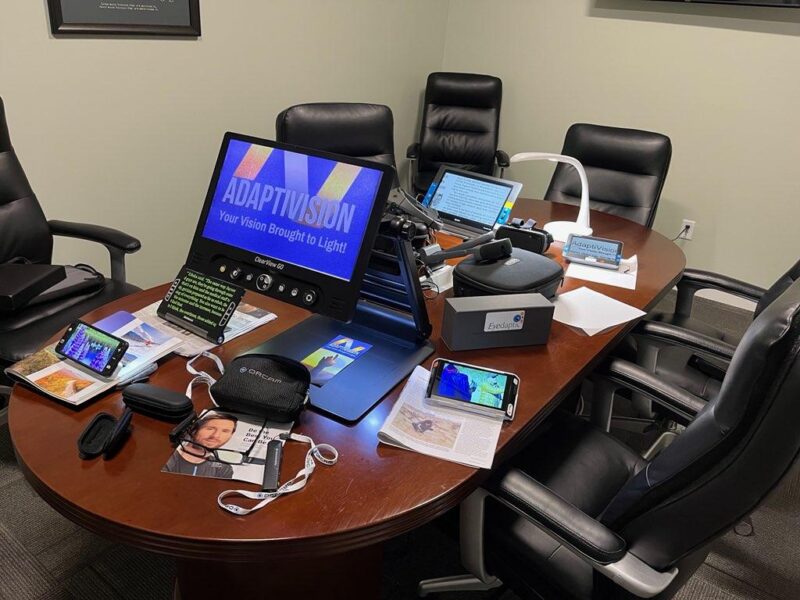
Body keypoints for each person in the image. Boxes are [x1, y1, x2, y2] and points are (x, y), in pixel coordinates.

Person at [164, 412, 238, 478]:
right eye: (210, 429)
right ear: (194, 430)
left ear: (231, 435)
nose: (216, 435)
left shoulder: (224, 468)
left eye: (225, 431)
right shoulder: (168, 458)